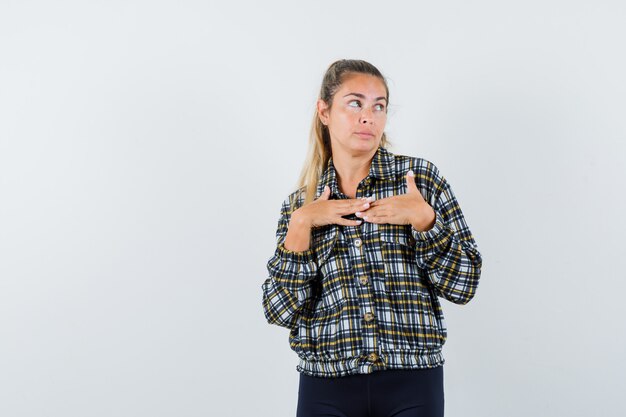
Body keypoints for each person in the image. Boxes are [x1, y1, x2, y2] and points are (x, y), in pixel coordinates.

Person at [261, 59, 483, 417]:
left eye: (379, 106)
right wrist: (302, 225)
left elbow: (464, 285)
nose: (369, 116)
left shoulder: (420, 181)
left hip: (413, 380)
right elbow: (279, 311)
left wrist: (424, 220)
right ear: (324, 111)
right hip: (325, 384)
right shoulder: (300, 205)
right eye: (355, 103)